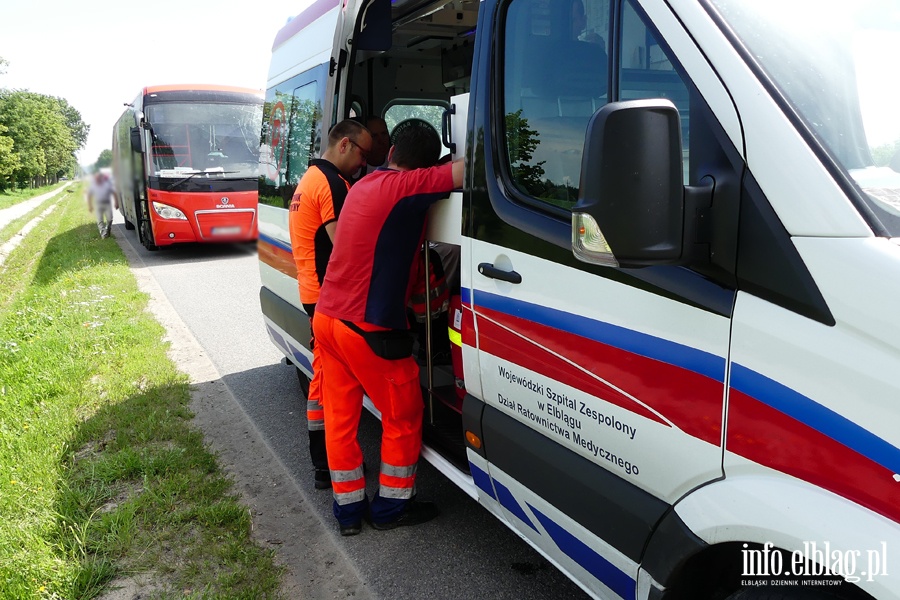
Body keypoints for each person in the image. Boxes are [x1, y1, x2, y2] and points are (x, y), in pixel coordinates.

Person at [313, 121, 464, 536]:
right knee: (403, 413)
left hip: (329, 318)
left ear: (393, 148)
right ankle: (392, 507)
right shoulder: (408, 185)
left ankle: (347, 513)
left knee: (341, 420)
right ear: (424, 165)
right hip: (366, 326)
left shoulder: (364, 183)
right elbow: (466, 173)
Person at [288, 119, 373, 490]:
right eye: (363, 153)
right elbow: (345, 246)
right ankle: (326, 464)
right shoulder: (333, 184)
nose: (364, 162)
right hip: (327, 296)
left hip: (311, 291)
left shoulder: (308, 180)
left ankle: (323, 464)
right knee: (328, 385)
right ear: (344, 145)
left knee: (321, 380)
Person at [86, 171, 117, 239]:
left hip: (107, 204)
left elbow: (114, 193)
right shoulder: (93, 186)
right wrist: (90, 205)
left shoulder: (107, 184)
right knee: (100, 220)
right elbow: (89, 195)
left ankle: (108, 230)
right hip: (98, 204)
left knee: (110, 219)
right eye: (97, 178)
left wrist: (116, 202)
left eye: (99, 178)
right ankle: (103, 234)